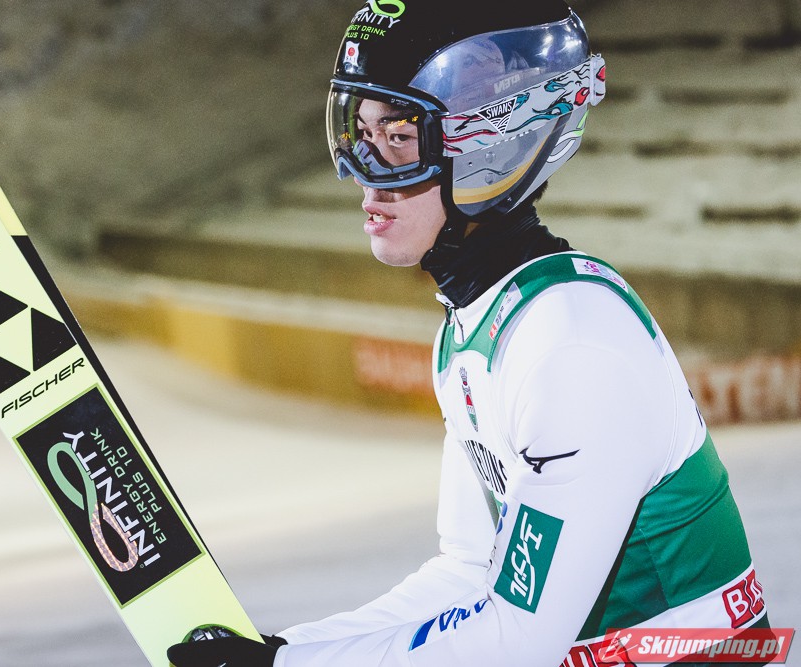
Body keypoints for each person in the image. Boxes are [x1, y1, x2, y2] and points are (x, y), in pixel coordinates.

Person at [168, 0, 770, 665]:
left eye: (399, 138)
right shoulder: (477, 329)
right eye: (359, 133)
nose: (365, 173)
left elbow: (517, 640)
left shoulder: (571, 344)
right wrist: (286, 647)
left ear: (492, 147)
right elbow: (466, 575)